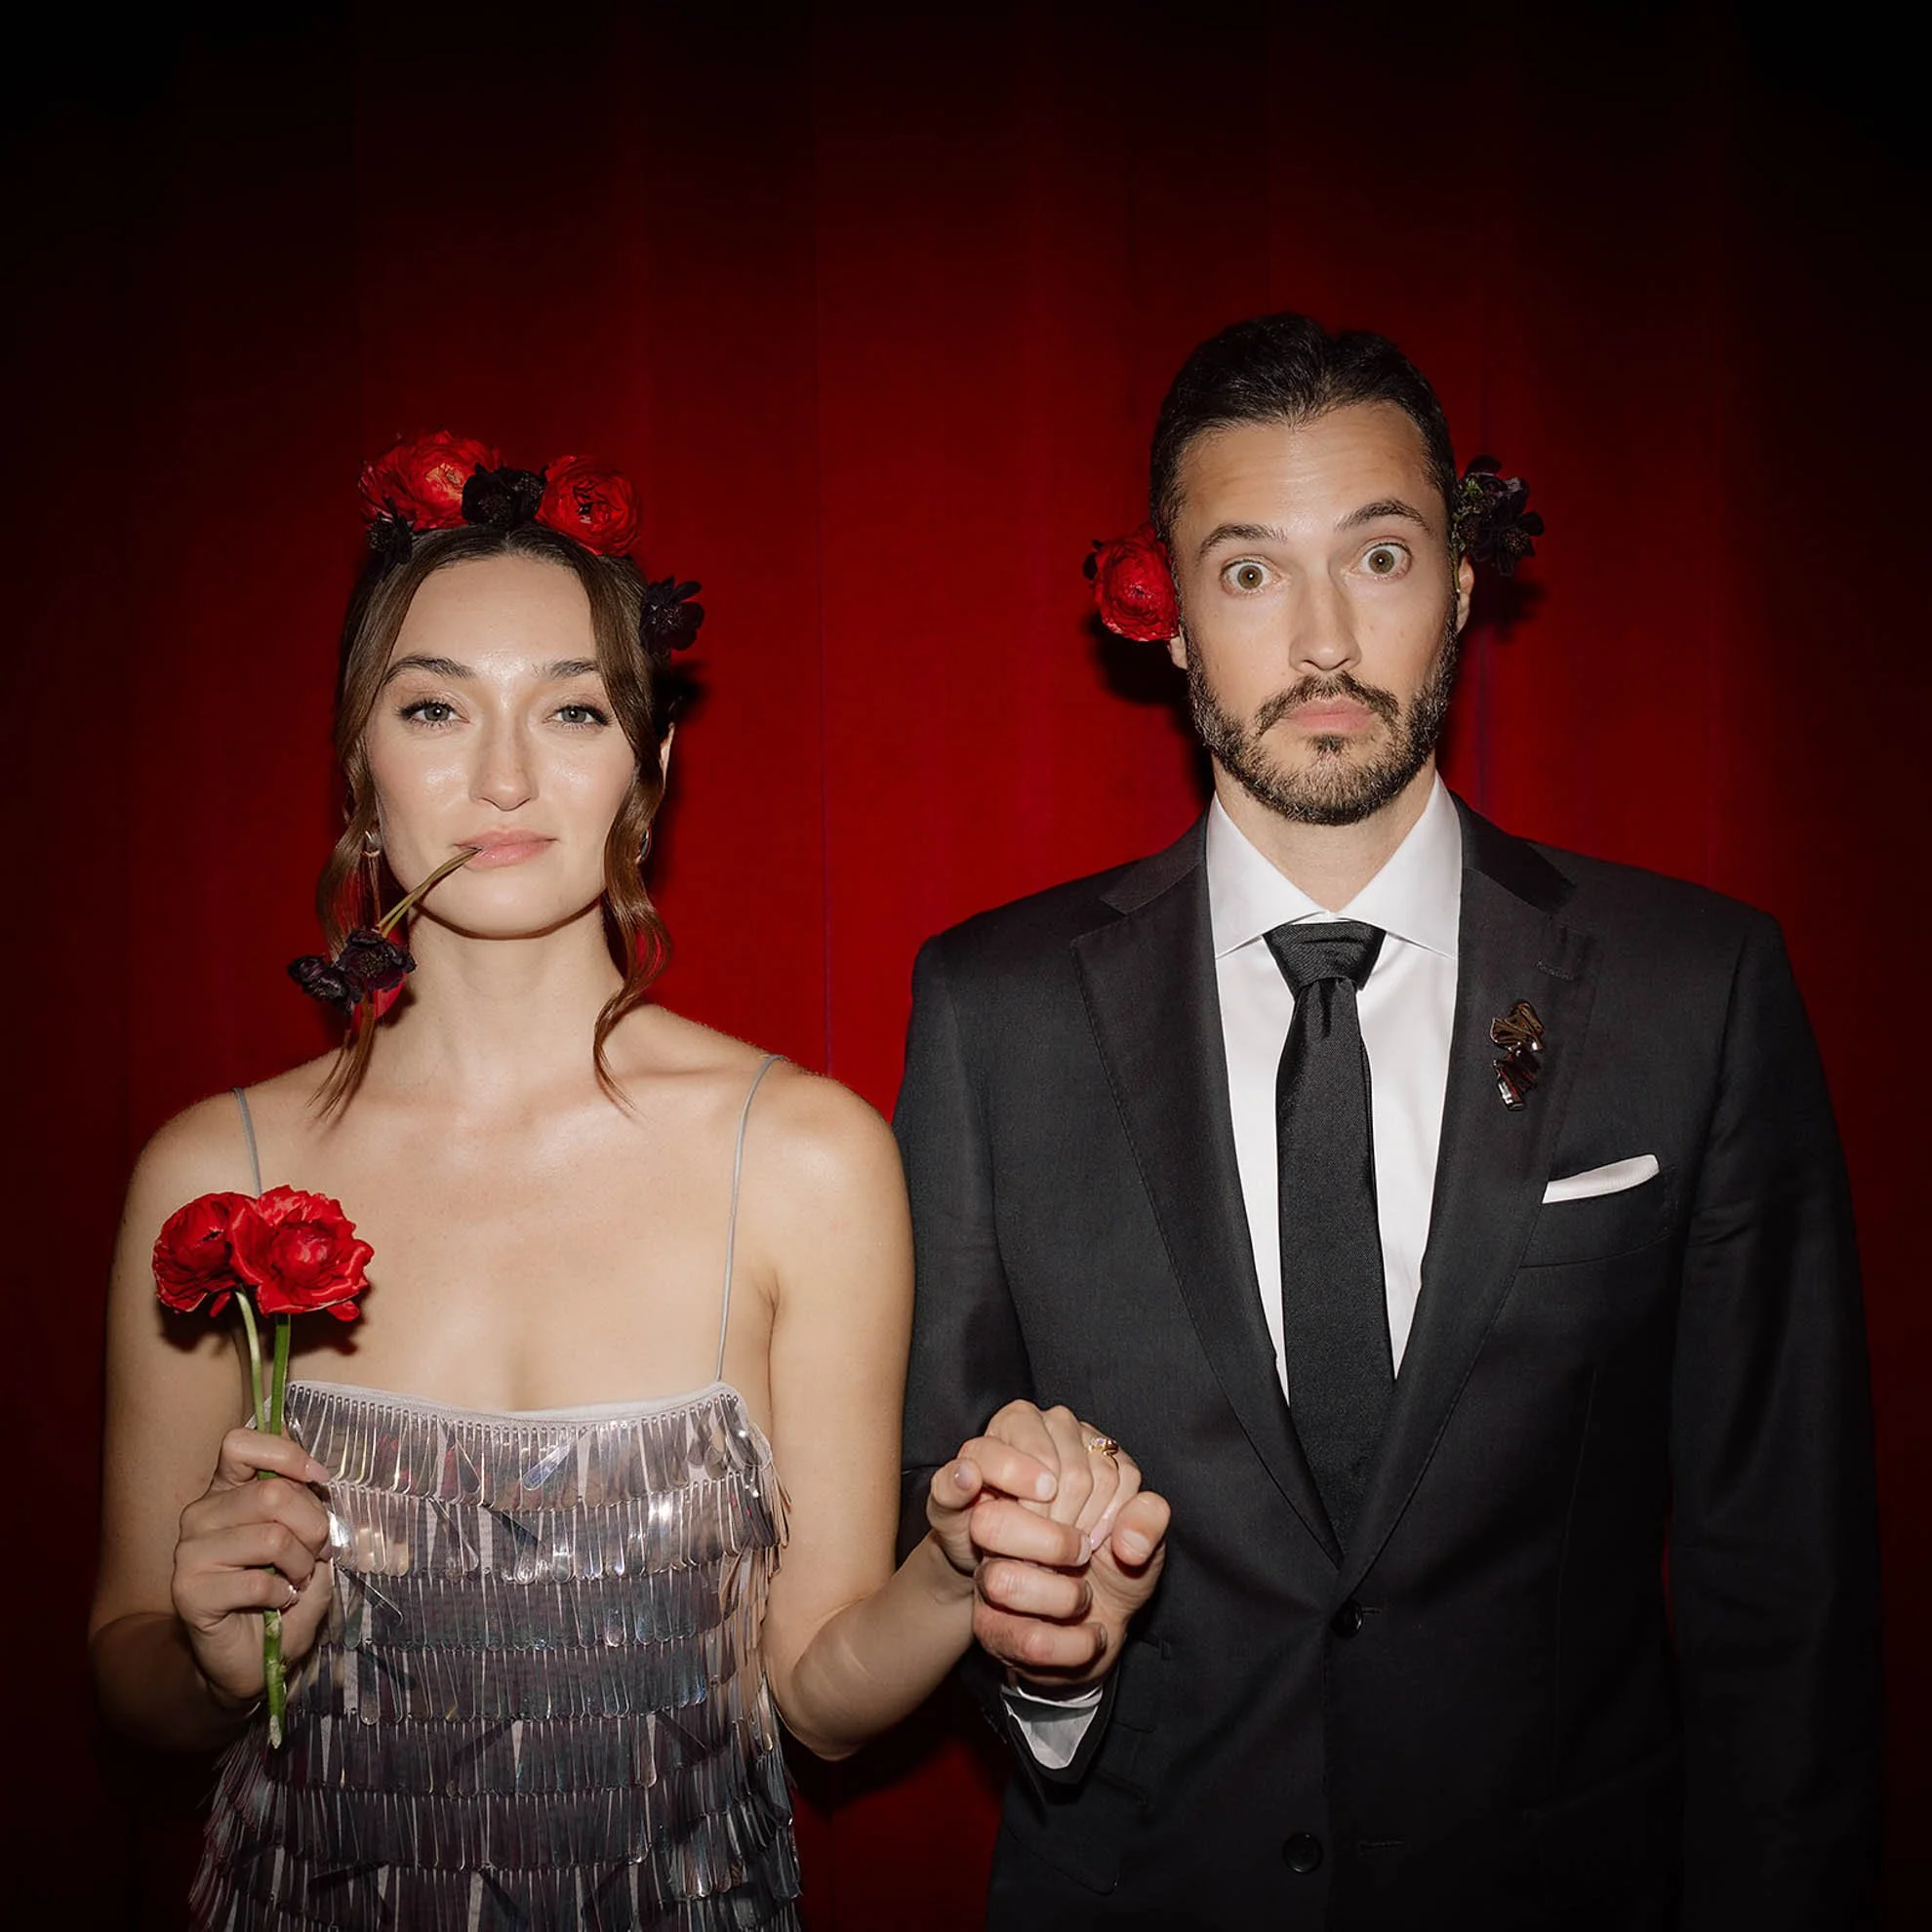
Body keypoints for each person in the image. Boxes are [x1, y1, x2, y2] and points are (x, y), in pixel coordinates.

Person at [88, 433, 1155, 1930]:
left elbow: (823, 1705)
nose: (506, 774)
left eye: (571, 709)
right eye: (437, 705)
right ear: (360, 761)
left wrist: (952, 1573)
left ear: (650, 764)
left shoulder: (806, 1159)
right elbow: (130, 1664)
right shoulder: (218, 1174)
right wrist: (203, 1654)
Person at [896, 313, 1882, 1929]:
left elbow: (1787, 1578)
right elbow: (940, 1495)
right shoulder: (992, 1007)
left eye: (1381, 555)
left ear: (1465, 586)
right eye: (1250, 572)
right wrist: (1051, 1673)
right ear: (1167, 620)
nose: (1327, 642)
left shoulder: (1692, 986)